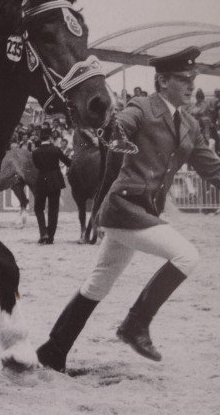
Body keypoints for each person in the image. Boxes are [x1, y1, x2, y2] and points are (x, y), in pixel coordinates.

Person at [36, 47, 220, 373]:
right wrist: (112, 127)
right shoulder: (142, 108)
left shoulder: (190, 125)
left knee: (99, 282)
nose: (191, 85)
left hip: (141, 210)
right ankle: (135, 324)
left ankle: (53, 350)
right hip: (125, 206)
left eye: (192, 79)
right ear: (162, 82)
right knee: (187, 256)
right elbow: (118, 127)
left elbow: (214, 171)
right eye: (182, 79)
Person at [31, 127, 71, 244]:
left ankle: (43, 233)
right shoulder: (56, 149)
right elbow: (67, 162)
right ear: (50, 138)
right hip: (55, 181)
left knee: (38, 208)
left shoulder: (35, 152)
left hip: (42, 181)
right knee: (53, 209)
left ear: (40, 138)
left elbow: (37, 166)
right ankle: (51, 237)